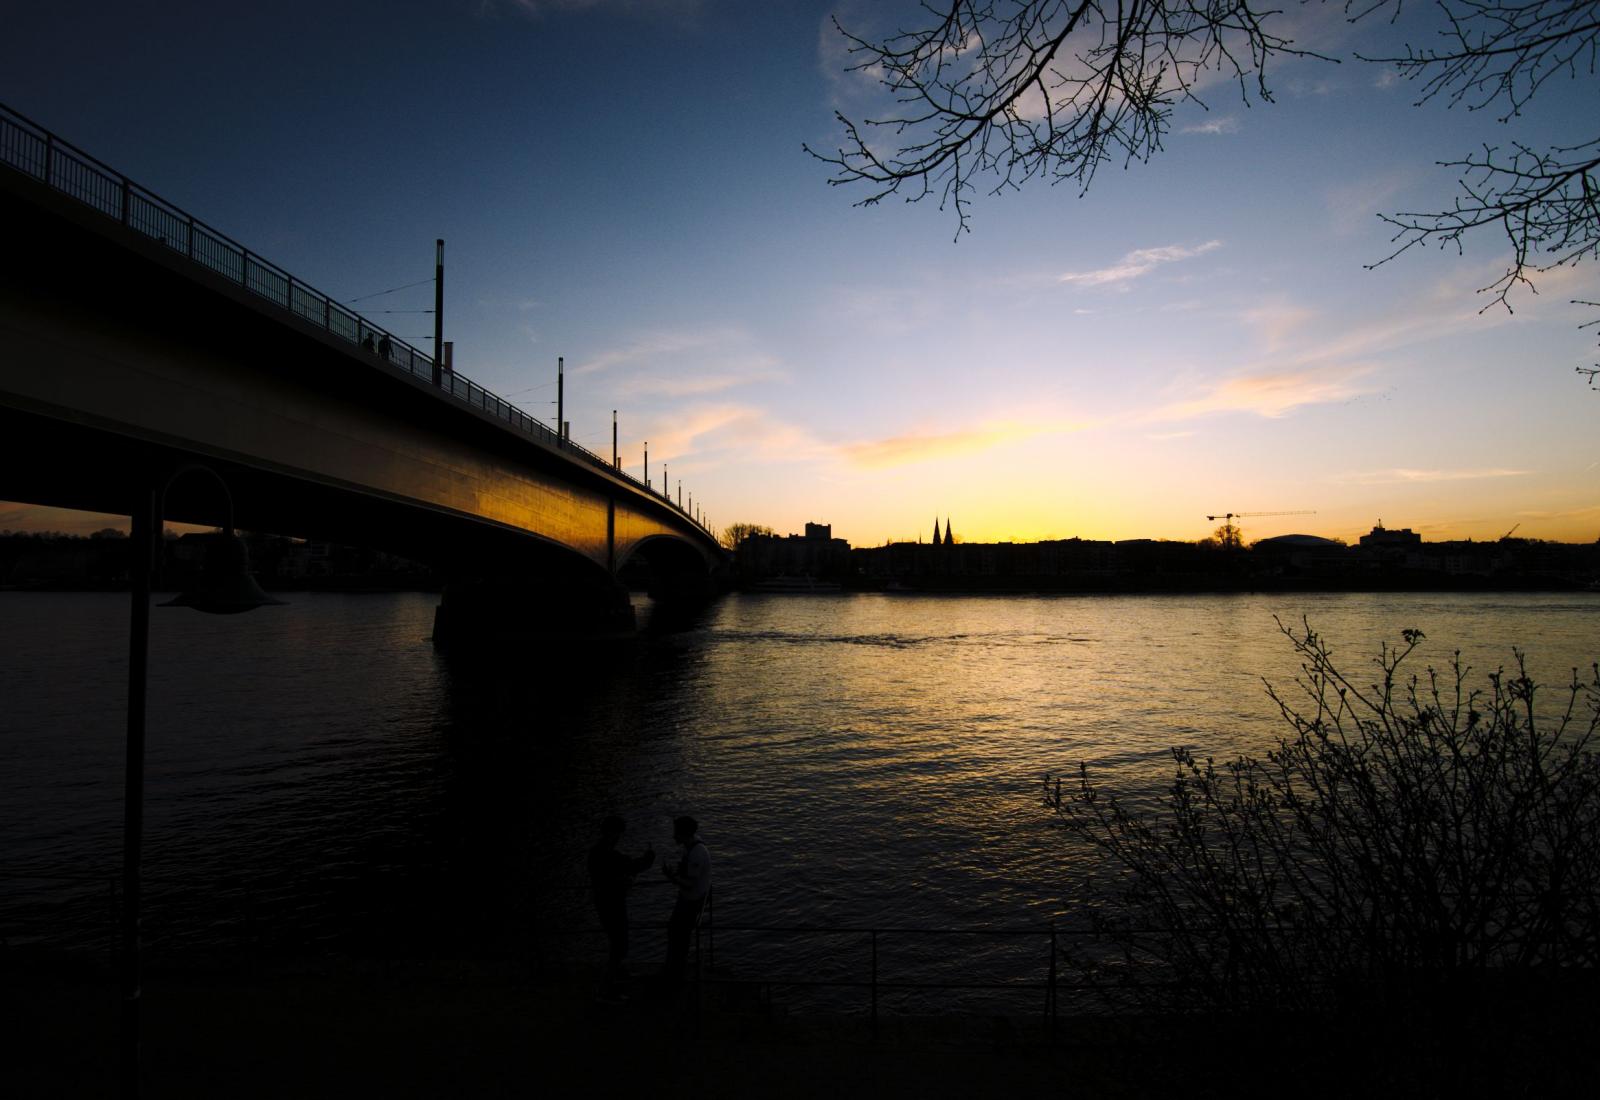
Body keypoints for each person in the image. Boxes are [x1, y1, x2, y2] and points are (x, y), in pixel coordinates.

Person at [588, 815, 653, 1001]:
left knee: (615, 939)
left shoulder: (595, 853)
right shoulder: (610, 855)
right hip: (613, 903)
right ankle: (608, 988)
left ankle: (617, 974)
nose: (619, 837)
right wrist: (648, 859)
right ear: (613, 833)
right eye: (618, 833)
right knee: (620, 943)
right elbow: (634, 866)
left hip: (602, 902)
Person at [661, 815, 711, 988]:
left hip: (690, 901)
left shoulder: (696, 852)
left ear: (684, 833)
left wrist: (671, 877)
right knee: (677, 934)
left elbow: (690, 883)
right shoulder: (691, 848)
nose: (674, 836)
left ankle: (674, 973)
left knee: (678, 935)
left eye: (676, 832)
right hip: (687, 899)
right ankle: (674, 970)